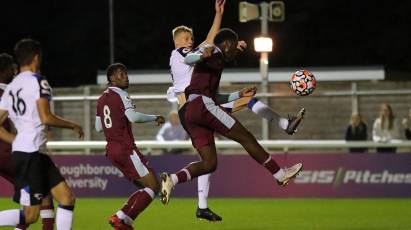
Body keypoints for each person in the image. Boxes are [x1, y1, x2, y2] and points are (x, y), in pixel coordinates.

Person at [168, 0, 305, 222]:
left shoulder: (198, 57)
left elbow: (210, 43)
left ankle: (195, 200)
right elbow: (207, 45)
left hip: (200, 104)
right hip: (197, 103)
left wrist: (219, 18)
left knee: (209, 160)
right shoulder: (182, 54)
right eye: (187, 38)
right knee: (244, 129)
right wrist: (226, 46)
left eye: (192, 38)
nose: (191, 41)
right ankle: (283, 130)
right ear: (177, 41)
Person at [0, 39, 83, 230]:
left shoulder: (12, 88)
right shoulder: (38, 81)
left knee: (67, 198)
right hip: (30, 156)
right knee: (30, 216)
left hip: (31, 153)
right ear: (36, 58)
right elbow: (46, 117)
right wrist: (72, 125)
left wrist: (16, 139)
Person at [95, 63, 165, 230]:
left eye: (126, 73)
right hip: (125, 148)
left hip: (111, 151)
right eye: (121, 74)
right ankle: (121, 218)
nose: (126, 77)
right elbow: (132, 116)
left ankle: (124, 222)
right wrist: (154, 117)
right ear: (111, 78)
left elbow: (98, 127)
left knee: (144, 188)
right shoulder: (121, 94)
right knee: (153, 187)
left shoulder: (101, 99)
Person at [0, 53, 56, 230]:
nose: (15, 72)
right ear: (6, 71)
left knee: (38, 198)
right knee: (35, 207)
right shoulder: (9, 92)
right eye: (13, 69)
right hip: (8, 154)